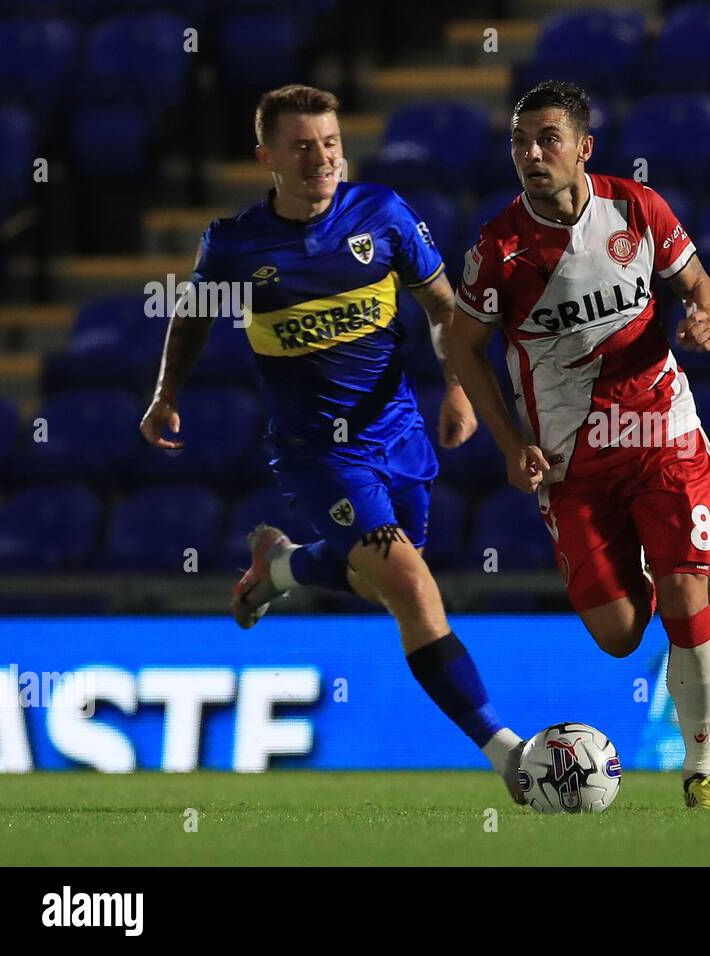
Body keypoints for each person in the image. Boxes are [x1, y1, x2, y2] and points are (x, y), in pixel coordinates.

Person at [138, 83, 524, 801]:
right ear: (267, 158)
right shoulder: (237, 246)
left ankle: (280, 569)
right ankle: (509, 754)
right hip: (319, 453)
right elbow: (190, 318)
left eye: (331, 143)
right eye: (303, 146)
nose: (322, 158)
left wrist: (460, 387)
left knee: (379, 581)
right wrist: (165, 396)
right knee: (410, 587)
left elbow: (443, 308)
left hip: (400, 432)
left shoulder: (382, 215)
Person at [448, 81, 710, 809]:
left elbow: (703, 289)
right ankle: (648, 558)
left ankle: (703, 774)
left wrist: (705, 320)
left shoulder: (637, 209)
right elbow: (463, 349)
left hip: (662, 432)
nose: (532, 154)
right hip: (572, 459)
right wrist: (511, 444)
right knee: (616, 632)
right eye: (520, 142)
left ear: (585, 148)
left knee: (683, 591)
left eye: (548, 139)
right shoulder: (499, 249)